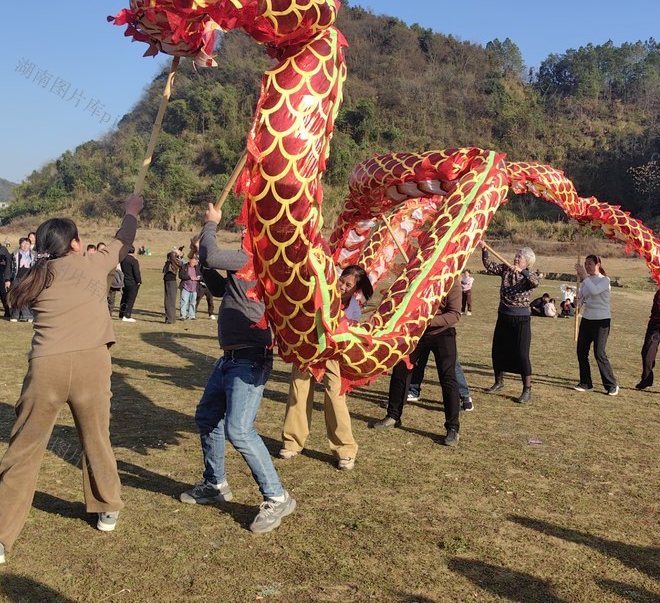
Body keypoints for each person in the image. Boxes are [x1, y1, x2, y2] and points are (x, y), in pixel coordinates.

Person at [0, 194, 143, 565]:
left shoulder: (35, 275)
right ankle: (108, 507)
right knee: (97, 439)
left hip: (45, 368)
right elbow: (124, 240)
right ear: (75, 244)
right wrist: (131, 211)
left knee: (23, 451)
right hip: (92, 364)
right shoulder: (92, 263)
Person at [179, 203, 295, 533]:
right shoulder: (243, 268)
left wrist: (209, 226)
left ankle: (277, 497)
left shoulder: (257, 258)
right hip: (230, 358)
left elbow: (215, 256)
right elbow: (217, 284)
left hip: (249, 357)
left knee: (239, 430)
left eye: (248, 230)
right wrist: (201, 251)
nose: (243, 233)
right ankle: (215, 484)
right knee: (207, 417)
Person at [280, 264, 371, 469]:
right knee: (298, 390)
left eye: (349, 285)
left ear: (355, 290)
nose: (343, 286)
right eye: (342, 281)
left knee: (335, 396)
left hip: (334, 354)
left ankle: (345, 449)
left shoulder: (353, 309)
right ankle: (292, 442)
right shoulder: (323, 289)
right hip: (308, 345)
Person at [371, 279, 463, 445]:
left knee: (447, 377)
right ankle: (393, 415)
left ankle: (452, 428)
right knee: (401, 371)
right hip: (415, 333)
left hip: (443, 333)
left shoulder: (452, 281)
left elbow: (455, 314)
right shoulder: (420, 276)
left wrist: (427, 321)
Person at [482, 243, 539, 403]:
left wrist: (523, 272)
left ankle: (527, 390)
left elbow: (535, 282)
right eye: (517, 255)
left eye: (520, 257)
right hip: (504, 315)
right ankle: (498, 382)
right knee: (497, 350)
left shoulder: (530, 275)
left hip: (521, 319)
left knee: (522, 354)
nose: (516, 258)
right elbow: (488, 265)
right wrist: (485, 249)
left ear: (526, 262)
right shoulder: (505, 270)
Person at [573, 254, 618, 396]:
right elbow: (582, 300)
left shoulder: (605, 280)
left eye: (590, 264)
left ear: (598, 265)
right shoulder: (585, 282)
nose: (587, 266)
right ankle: (586, 383)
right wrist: (576, 303)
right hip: (587, 320)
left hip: (602, 321)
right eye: (586, 264)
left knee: (599, 353)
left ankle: (611, 385)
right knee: (581, 351)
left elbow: (595, 291)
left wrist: (584, 276)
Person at [10, 238, 36, 322]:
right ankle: (15, 315)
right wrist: (7, 279)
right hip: (17, 277)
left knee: (27, 296)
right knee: (16, 296)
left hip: (28, 278)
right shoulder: (14, 254)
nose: (25, 246)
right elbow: (9, 267)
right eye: (23, 243)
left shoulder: (34, 255)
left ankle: (28, 315)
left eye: (27, 244)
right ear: (20, 244)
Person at [118, 248, 141, 322]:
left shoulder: (123, 260)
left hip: (125, 281)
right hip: (132, 282)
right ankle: (127, 315)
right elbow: (136, 272)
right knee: (130, 300)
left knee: (124, 298)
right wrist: (139, 281)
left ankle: (121, 314)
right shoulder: (134, 261)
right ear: (133, 252)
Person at [162, 249, 183, 324]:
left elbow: (171, 255)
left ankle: (169, 319)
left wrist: (176, 252)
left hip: (170, 281)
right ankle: (171, 318)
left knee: (169, 301)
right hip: (170, 281)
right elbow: (169, 255)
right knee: (170, 301)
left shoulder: (175, 262)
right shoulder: (173, 261)